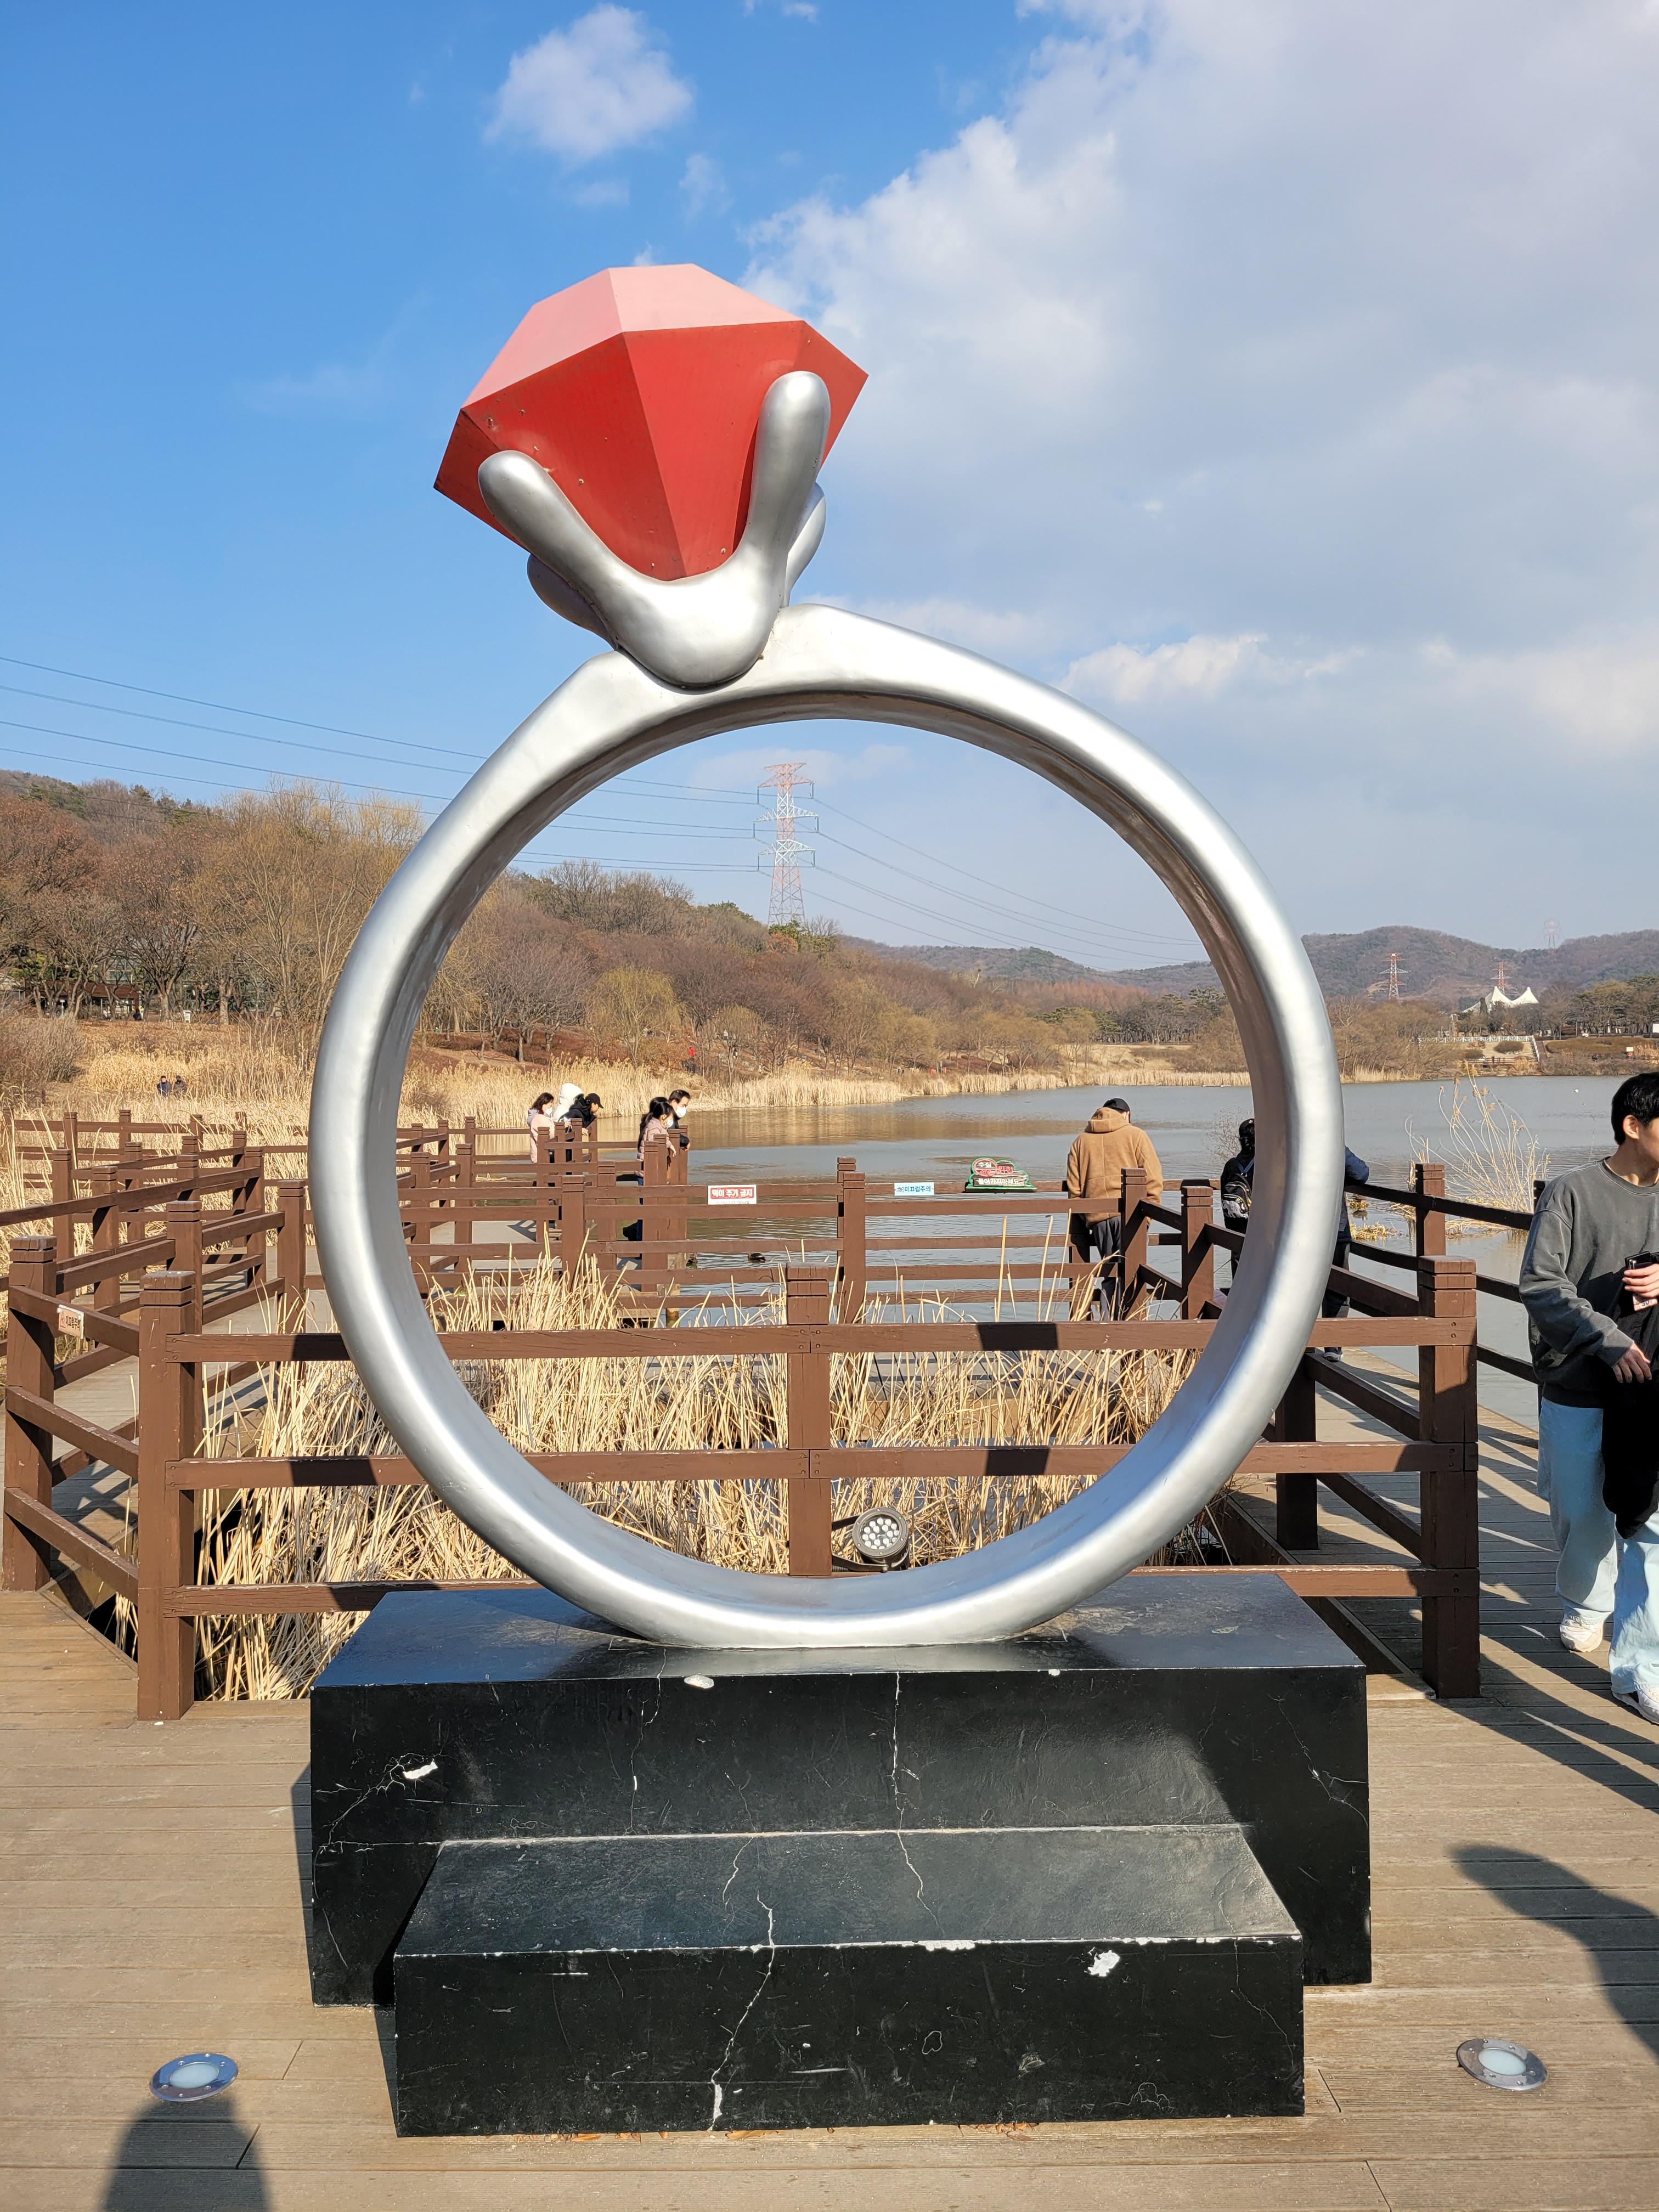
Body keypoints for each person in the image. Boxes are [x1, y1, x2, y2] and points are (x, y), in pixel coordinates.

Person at [1520, 1073, 1659, 1705]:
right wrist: (1607, 1338)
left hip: (1653, 1387)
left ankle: (1642, 1662)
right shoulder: (1571, 1193)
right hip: (1579, 1377)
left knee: (1648, 1517)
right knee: (1580, 1505)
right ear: (1633, 1126)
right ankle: (1586, 1602)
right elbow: (1541, 1282)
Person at [1065, 1097, 1164, 1317]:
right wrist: (1148, 1216)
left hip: (1098, 1220)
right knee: (1134, 1273)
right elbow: (1154, 1179)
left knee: (1110, 1275)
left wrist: (1088, 1216)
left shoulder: (1080, 1142)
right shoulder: (1136, 1136)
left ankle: (1107, 1325)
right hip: (1133, 1216)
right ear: (1126, 1115)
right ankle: (1132, 1326)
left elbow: (1074, 1189)